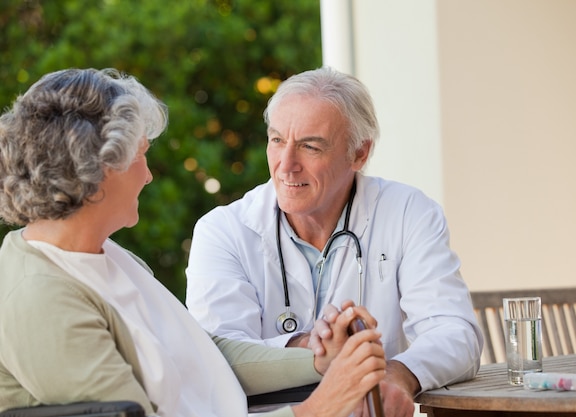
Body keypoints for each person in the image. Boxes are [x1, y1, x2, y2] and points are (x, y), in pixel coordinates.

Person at [0, 68, 387, 417]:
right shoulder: (40, 296)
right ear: (103, 168)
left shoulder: (105, 258)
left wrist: (319, 361)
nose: (148, 176)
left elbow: (202, 357)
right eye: (141, 157)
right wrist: (318, 409)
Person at [185, 66, 484, 416]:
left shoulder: (408, 212)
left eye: (310, 146)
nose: (285, 165)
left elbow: (455, 330)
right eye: (277, 140)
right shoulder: (222, 231)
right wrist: (315, 347)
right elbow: (217, 356)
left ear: (359, 154)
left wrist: (399, 374)